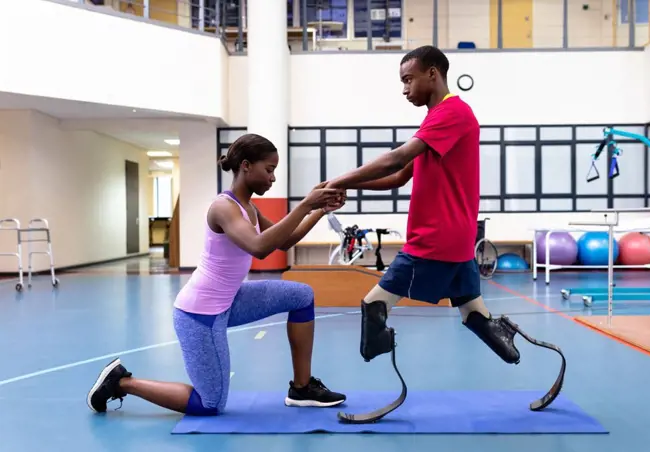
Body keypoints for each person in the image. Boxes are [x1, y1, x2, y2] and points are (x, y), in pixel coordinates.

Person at [324, 45, 560, 370]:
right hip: (456, 238)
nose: (405, 89)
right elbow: (399, 176)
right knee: (472, 312)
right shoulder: (435, 119)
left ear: (432, 74)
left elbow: (395, 159)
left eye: (409, 80)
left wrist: (337, 180)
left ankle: (380, 344)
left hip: (435, 238)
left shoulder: (453, 112)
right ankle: (509, 345)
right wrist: (349, 185)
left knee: (373, 304)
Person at [87, 133, 348, 416]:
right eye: (269, 170)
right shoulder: (223, 207)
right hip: (200, 314)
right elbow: (259, 247)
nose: (273, 178)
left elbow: (283, 241)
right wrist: (305, 205)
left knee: (301, 296)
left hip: (230, 300)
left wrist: (319, 211)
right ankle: (123, 382)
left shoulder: (249, 207)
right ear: (246, 165)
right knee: (209, 403)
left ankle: (302, 387)